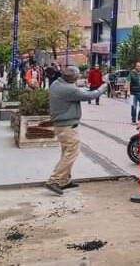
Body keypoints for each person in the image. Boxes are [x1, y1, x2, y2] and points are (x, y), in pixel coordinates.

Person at [45, 67, 108, 195]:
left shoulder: (56, 84)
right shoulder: (69, 89)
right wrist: (103, 87)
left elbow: (78, 90)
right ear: (73, 78)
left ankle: (64, 180)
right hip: (68, 126)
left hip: (61, 124)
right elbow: (90, 95)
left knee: (66, 152)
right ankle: (54, 180)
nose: (78, 77)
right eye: (77, 76)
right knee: (72, 152)